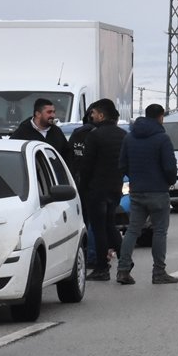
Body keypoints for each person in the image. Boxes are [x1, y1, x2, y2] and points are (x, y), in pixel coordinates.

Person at [117, 103, 178, 285]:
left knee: (132, 230)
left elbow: (122, 164)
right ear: (160, 117)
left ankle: (123, 270)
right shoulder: (162, 138)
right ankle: (159, 272)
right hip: (158, 191)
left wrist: (135, 177)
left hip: (137, 191)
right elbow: (169, 167)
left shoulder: (130, 138)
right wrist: (169, 181)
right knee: (159, 231)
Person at [83, 99, 127, 282]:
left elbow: (87, 165)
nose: (91, 116)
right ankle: (126, 260)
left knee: (99, 228)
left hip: (97, 189)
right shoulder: (123, 135)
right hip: (115, 187)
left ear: (101, 115)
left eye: (93, 113)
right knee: (110, 225)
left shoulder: (95, 136)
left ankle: (102, 268)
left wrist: (84, 186)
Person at [69, 106, 99, 267]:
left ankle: (80, 254)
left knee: (82, 221)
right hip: (94, 184)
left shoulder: (76, 134)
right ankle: (93, 256)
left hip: (77, 183)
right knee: (94, 222)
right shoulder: (98, 135)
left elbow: (69, 157)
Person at [10, 98, 74, 164]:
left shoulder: (57, 132)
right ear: (38, 114)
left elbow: (67, 156)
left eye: (53, 112)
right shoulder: (22, 133)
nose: (53, 115)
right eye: (49, 112)